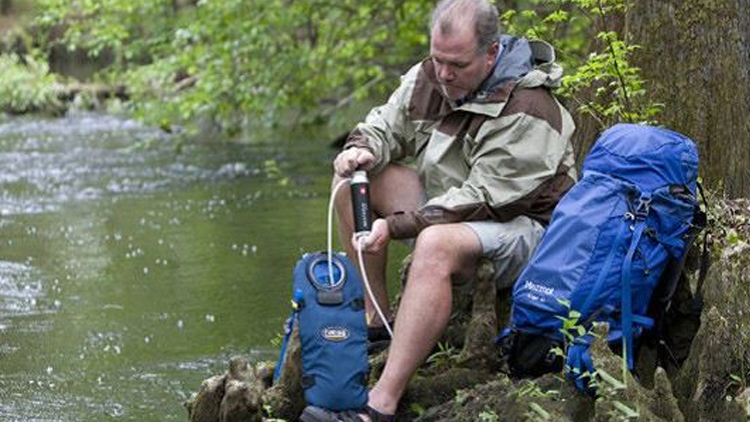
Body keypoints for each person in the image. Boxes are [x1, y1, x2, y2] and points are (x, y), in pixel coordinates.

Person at [303, 0, 576, 420]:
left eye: (457, 64)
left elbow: (483, 197)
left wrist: (396, 227)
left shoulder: (529, 105)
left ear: (491, 53)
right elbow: (385, 125)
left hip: (528, 231)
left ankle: (381, 404)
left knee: (433, 242)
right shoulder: (432, 77)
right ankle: (378, 322)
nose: (444, 74)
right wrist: (359, 148)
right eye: (438, 59)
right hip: (447, 211)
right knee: (353, 182)